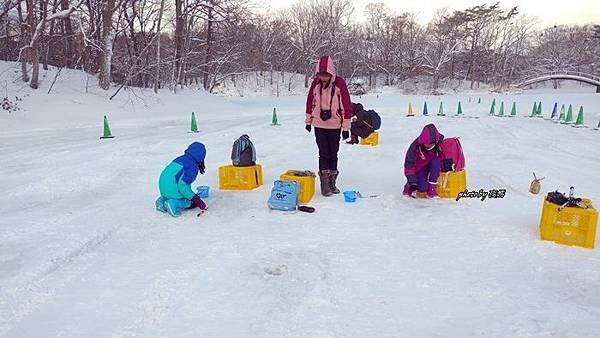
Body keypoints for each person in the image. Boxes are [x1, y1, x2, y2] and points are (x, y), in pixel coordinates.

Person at [304, 55, 353, 196]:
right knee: (323, 153)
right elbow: (310, 102)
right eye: (321, 75)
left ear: (331, 72)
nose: (323, 78)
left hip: (335, 125)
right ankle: (325, 184)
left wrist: (346, 128)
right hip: (319, 124)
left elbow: (346, 106)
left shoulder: (340, 84)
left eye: (326, 75)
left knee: (333, 153)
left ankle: (332, 182)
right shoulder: (315, 84)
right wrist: (309, 121)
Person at [155, 142, 207, 217]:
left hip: (163, 186)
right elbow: (183, 186)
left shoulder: (181, 158)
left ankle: (161, 201)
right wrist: (195, 198)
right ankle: (173, 203)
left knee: (169, 194)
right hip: (172, 189)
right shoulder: (192, 167)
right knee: (189, 202)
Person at [403, 124, 444, 198]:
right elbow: (409, 166)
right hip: (419, 168)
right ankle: (408, 186)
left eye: (430, 144)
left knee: (436, 162)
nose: (427, 146)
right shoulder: (414, 147)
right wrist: (413, 182)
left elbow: (444, 156)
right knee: (423, 188)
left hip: (432, 165)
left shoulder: (440, 142)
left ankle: (432, 189)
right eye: (425, 144)